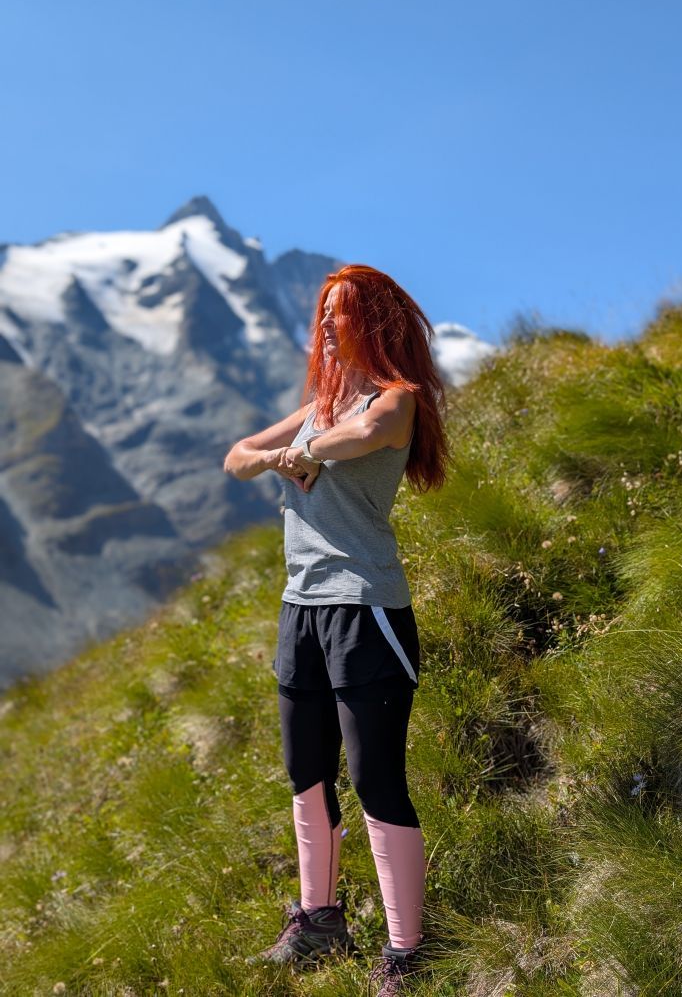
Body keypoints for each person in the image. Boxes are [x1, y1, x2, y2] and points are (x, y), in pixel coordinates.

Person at [223, 264, 448, 995]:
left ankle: (408, 953)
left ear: (373, 322)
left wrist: (304, 453)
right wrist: (277, 455)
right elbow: (235, 459)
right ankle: (319, 920)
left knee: (375, 776)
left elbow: (364, 437)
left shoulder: (397, 401)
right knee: (306, 771)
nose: (324, 325)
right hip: (302, 609)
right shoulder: (318, 405)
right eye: (321, 313)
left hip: (366, 609)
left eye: (339, 313)